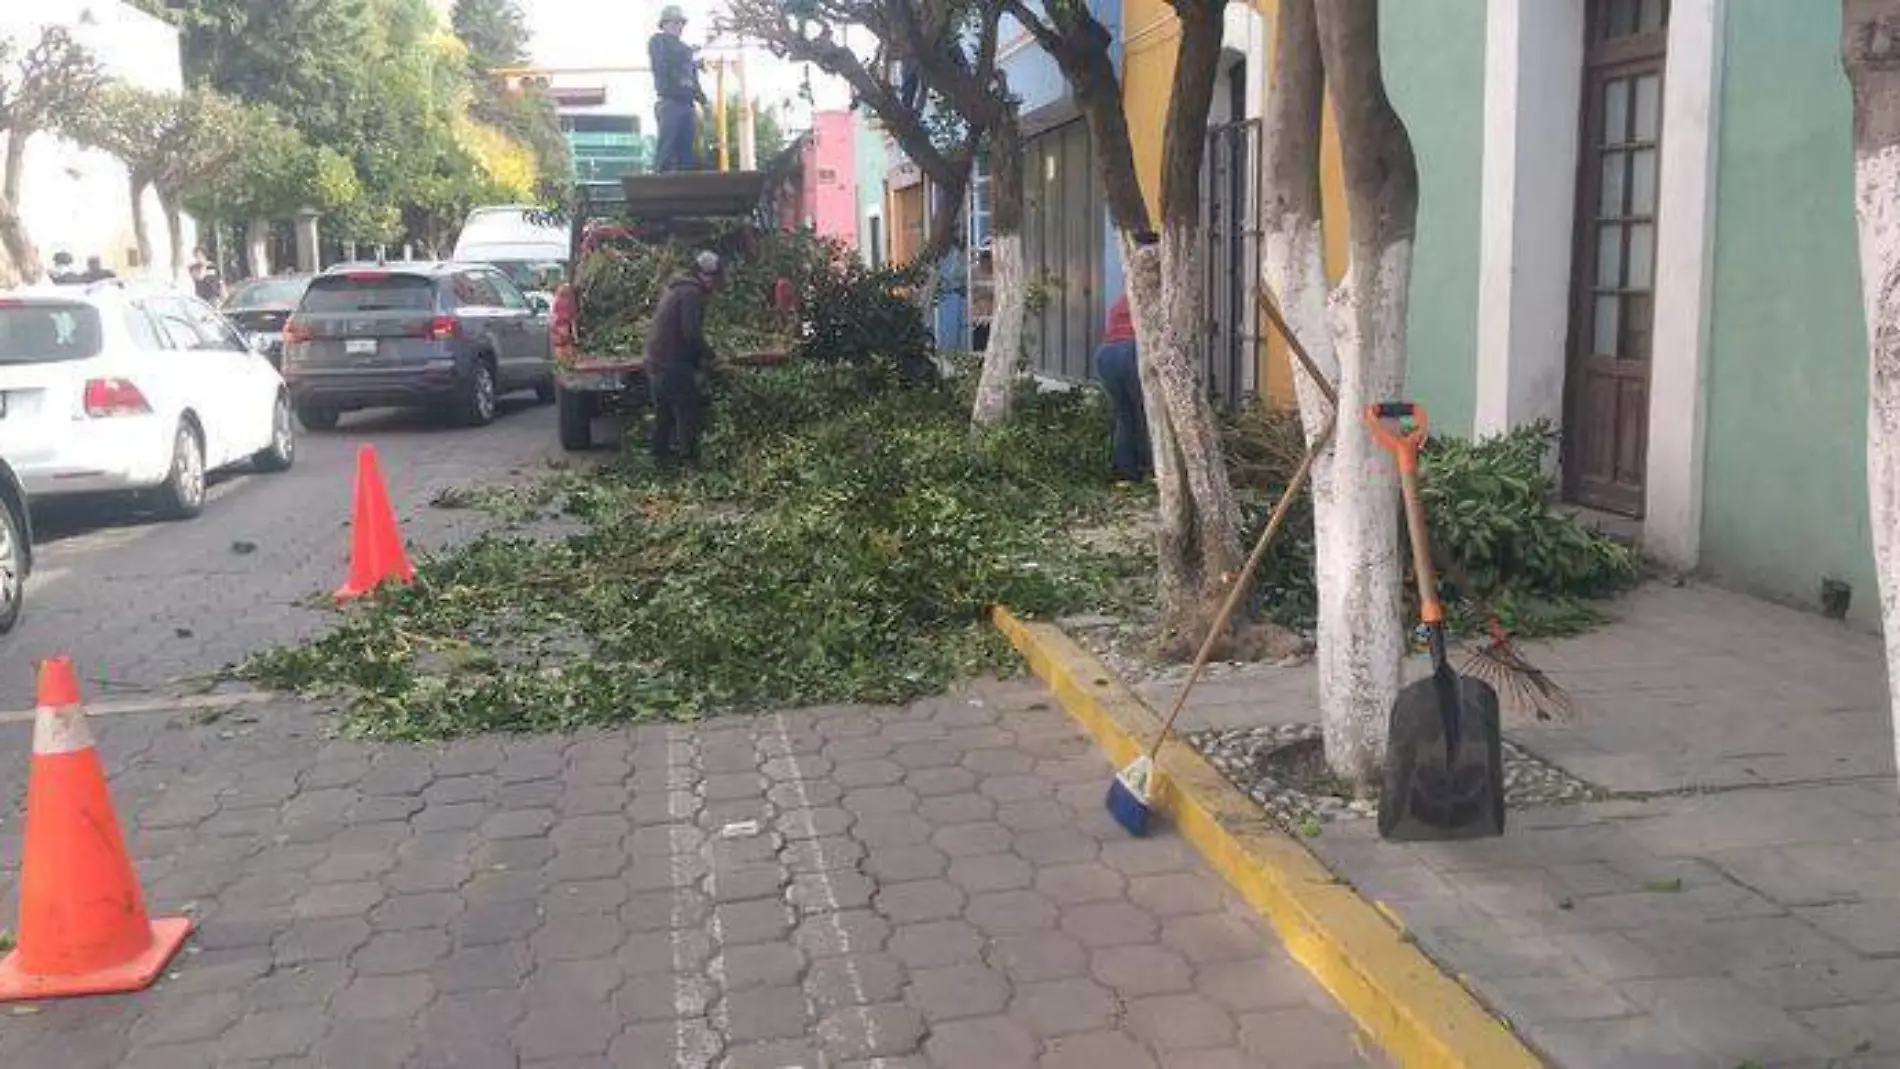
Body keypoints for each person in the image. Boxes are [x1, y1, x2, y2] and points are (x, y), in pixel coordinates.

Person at [644, 250, 724, 467]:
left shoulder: (676, 288)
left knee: (663, 416)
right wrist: (710, 356)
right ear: (706, 275)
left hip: (655, 361)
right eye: (714, 278)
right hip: (673, 363)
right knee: (688, 411)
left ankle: (659, 462)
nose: (714, 285)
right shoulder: (691, 293)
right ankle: (690, 463)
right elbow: (691, 333)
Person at [1095, 289, 1151, 484]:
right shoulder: (1153, 294)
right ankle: (1151, 467)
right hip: (1132, 350)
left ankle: (1126, 471)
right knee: (1148, 413)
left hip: (1106, 353)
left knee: (1124, 414)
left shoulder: (1124, 296)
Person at [648, 5, 707, 173]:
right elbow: (666, 59)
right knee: (667, 146)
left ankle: (685, 185)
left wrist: (702, 98)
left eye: (680, 23)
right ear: (664, 25)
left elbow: (693, 79)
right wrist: (689, 52)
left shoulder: (685, 52)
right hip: (670, 103)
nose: (678, 27)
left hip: (687, 104)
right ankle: (660, 182)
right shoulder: (658, 42)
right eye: (674, 23)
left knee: (686, 148)